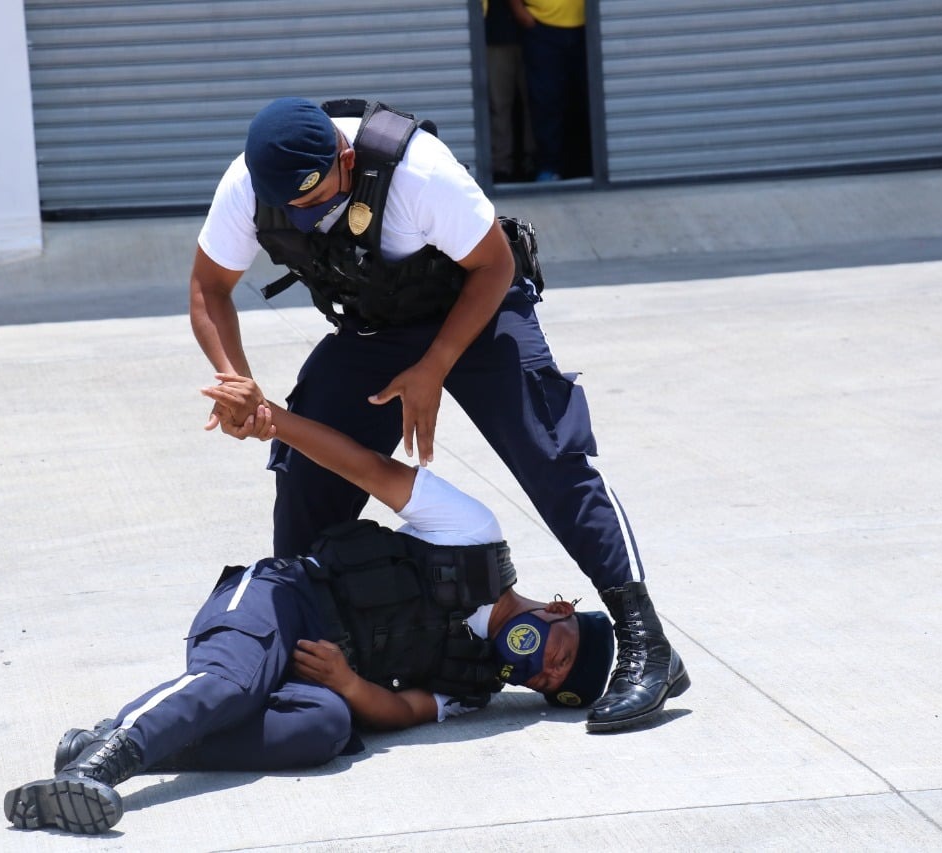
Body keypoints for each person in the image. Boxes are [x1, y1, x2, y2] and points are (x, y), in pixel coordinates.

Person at [188, 96, 688, 733]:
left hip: (476, 309)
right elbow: (209, 287)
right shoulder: (248, 185)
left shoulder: (419, 173)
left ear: (345, 159)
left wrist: (435, 367)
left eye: (317, 200)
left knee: (549, 453)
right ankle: (299, 638)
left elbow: (494, 263)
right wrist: (238, 384)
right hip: (375, 329)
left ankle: (646, 641)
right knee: (307, 471)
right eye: (294, 209)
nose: (307, 217)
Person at [3, 375, 616, 835]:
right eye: (562, 655)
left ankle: (113, 736)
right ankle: (92, 772)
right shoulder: (474, 537)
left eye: (548, 684)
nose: (544, 670)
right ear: (561, 609)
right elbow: (365, 466)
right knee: (233, 686)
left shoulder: (475, 681)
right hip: (280, 600)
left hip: (321, 676)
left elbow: (401, 709)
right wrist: (274, 420)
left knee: (326, 729)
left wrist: (349, 684)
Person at [508, 0, 591, 181]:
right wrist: (520, 11)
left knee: (587, 98)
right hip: (541, 27)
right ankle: (549, 167)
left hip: (588, 23)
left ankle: (587, 166)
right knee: (546, 100)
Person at [483, 0, 536, 183]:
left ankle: (533, 162)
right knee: (499, 104)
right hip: (497, 36)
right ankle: (501, 165)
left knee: (536, 102)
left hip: (537, 34)